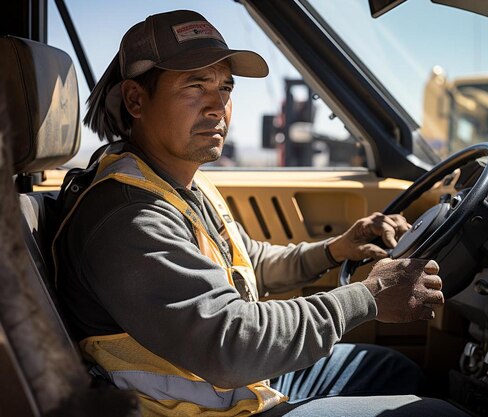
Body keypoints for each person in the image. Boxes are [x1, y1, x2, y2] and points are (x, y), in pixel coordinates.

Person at [54, 9, 466, 417]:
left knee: (388, 370)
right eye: (195, 86)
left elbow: (247, 264)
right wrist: (368, 296)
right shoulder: (129, 218)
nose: (218, 107)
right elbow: (231, 346)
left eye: (225, 89)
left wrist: (337, 249)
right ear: (135, 99)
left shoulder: (176, 182)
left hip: (228, 388)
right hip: (200, 409)